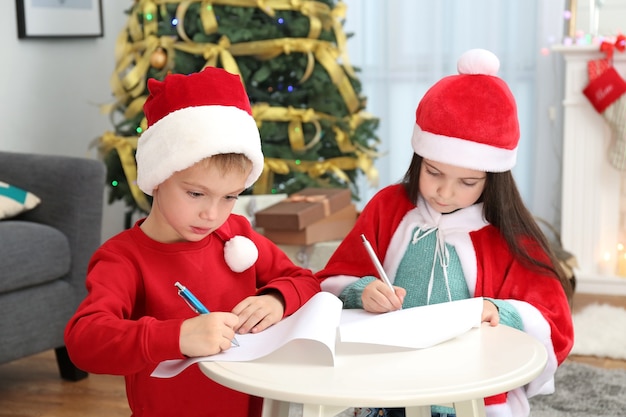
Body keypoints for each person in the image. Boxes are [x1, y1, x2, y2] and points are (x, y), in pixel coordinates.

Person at [316, 49, 574, 417]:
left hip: (466, 389)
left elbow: (553, 319)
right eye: (433, 172)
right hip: (387, 379)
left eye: (467, 182)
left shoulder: (507, 231)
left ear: (492, 179)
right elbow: (331, 278)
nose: (444, 192)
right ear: (419, 158)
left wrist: (499, 311)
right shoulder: (389, 206)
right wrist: (360, 291)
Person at [64, 67, 321, 417]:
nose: (212, 215)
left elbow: (306, 280)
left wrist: (277, 299)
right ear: (157, 177)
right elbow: (85, 341)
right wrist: (178, 336)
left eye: (230, 196)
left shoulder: (237, 233)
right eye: (196, 193)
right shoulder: (123, 258)